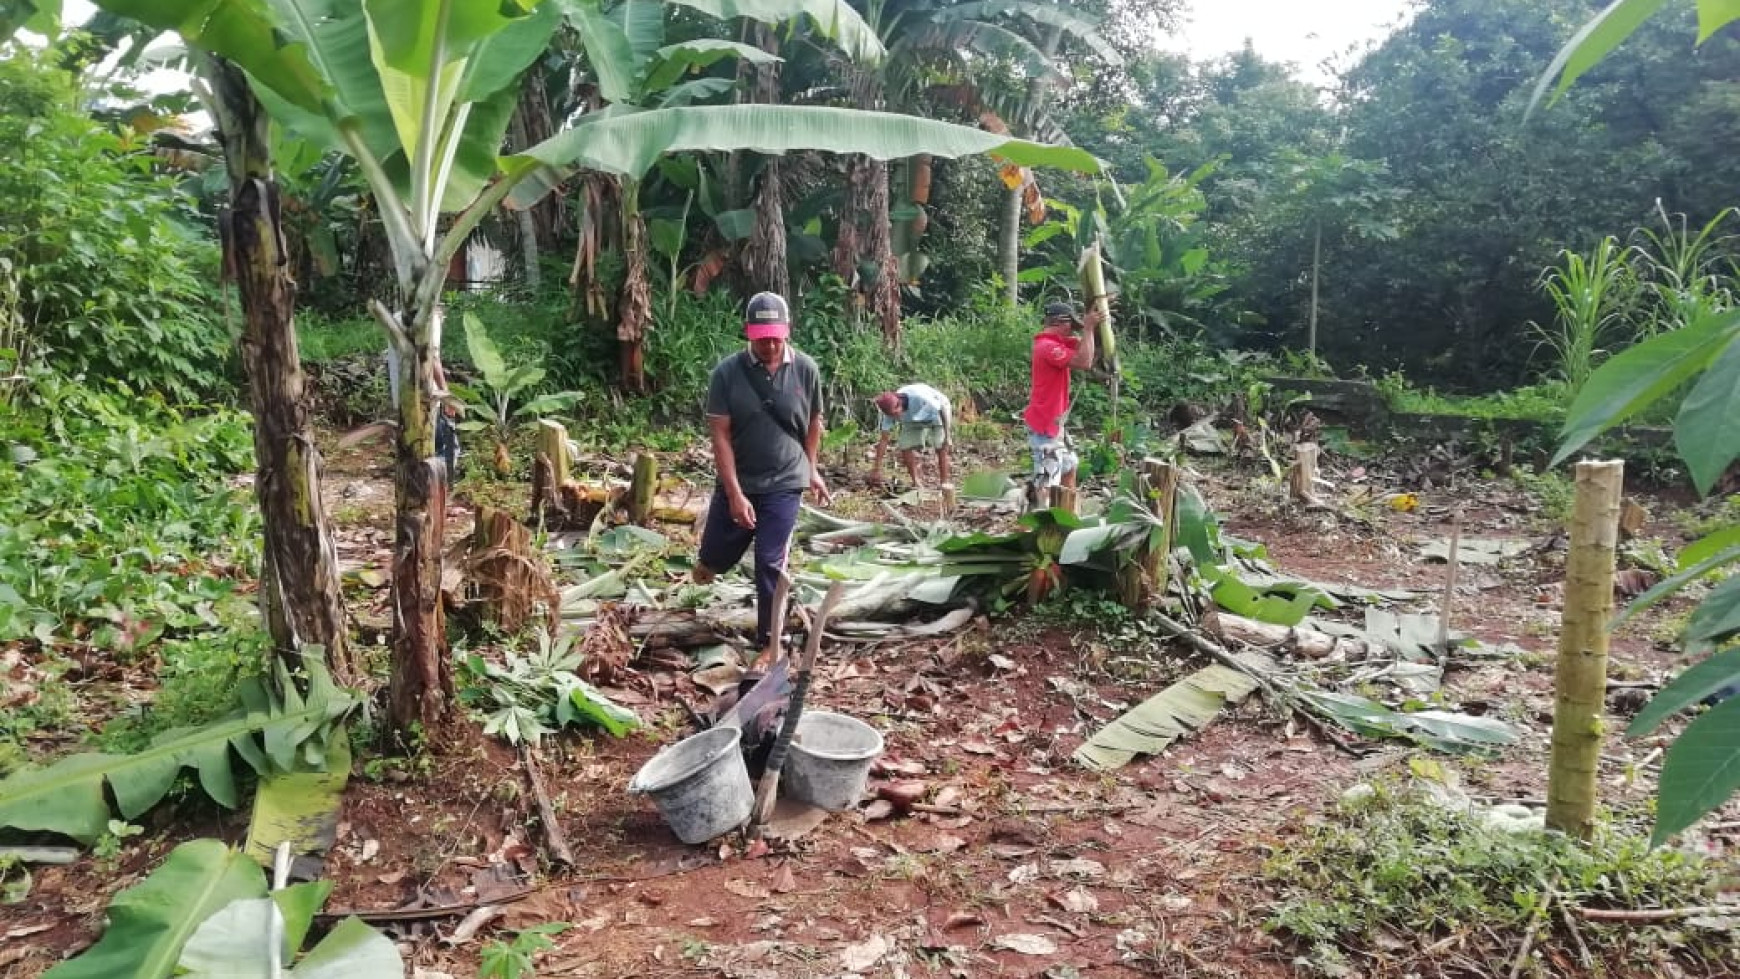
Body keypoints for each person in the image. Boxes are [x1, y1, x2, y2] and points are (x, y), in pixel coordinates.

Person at [692, 292, 832, 666]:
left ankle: (772, 640)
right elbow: (720, 435)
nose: (769, 345)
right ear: (748, 333)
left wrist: (811, 469)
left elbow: (813, 423)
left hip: (786, 479)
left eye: (776, 337)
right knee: (715, 558)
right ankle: (710, 560)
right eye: (761, 337)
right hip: (741, 477)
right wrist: (735, 494)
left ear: (787, 332)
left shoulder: (806, 369)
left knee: (771, 561)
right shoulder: (726, 373)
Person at [1022, 300, 1103, 495]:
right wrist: (1089, 327)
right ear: (1060, 322)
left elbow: (1090, 350)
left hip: (1055, 423)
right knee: (1045, 484)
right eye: (1071, 327)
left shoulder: (1058, 343)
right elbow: (1084, 361)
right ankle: (1035, 522)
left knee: (1069, 466)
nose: (1072, 332)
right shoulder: (1047, 347)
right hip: (1045, 424)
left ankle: (1067, 517)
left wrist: (1096, 324)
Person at [870, 383, 953, 489]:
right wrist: (876, 468)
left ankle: (944, 483)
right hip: (912, 419)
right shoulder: (889, 412)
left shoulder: (920, 396)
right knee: (904, 445)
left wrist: (948, 436)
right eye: (892, 416)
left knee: (941, 445)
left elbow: (942, 408)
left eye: (896, 414)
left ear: (899, 404)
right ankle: (916, 482)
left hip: (936, 414)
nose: (895, 418)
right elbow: (884, 439)